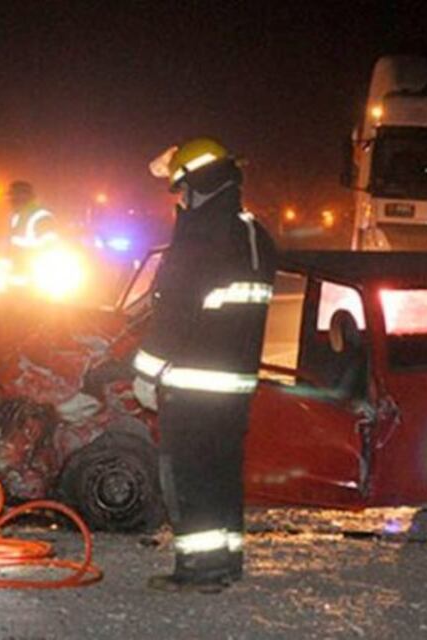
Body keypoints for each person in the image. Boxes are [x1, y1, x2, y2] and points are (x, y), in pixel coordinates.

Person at [132, 137, 277, 593]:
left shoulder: (201, 235)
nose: (180, 199)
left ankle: (197, 569)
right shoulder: (253, 233)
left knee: (188, 476)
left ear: (196, 184)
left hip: (192, 385)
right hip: (235, 386)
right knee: (221, 475)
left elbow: (176, 311)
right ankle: (225, 562)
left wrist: (145, 371)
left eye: (181, 189)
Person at [7, 181, 57, 250]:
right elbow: (13, 243)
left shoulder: (41, 216)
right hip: (19, 259)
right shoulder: (17, 216)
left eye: (14, 195)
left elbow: (49, 245)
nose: (11, 199)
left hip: (35, 259)